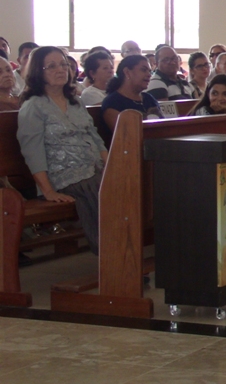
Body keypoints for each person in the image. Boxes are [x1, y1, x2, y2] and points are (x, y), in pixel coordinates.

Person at [17, 46, 107, 252]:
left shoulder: (75, 103)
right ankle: (111, 251)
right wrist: (48, 191)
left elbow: (96, 139)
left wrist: (111, 168)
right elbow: (32, 152)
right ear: (38, 72)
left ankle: (128, 248)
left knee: (121, 182)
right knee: (102, 189)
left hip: (93, 170)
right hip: (63, 177)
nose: (60, 70)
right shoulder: (33, 106)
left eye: (64, 65)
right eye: (51, 66)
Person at [99, 55, 162, 139]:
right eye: (143, 70)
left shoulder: (148, 98)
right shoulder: (113, 102)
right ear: (127, 72)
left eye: (150, 71)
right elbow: (126, 136)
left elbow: (162, 127)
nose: (149, 75)